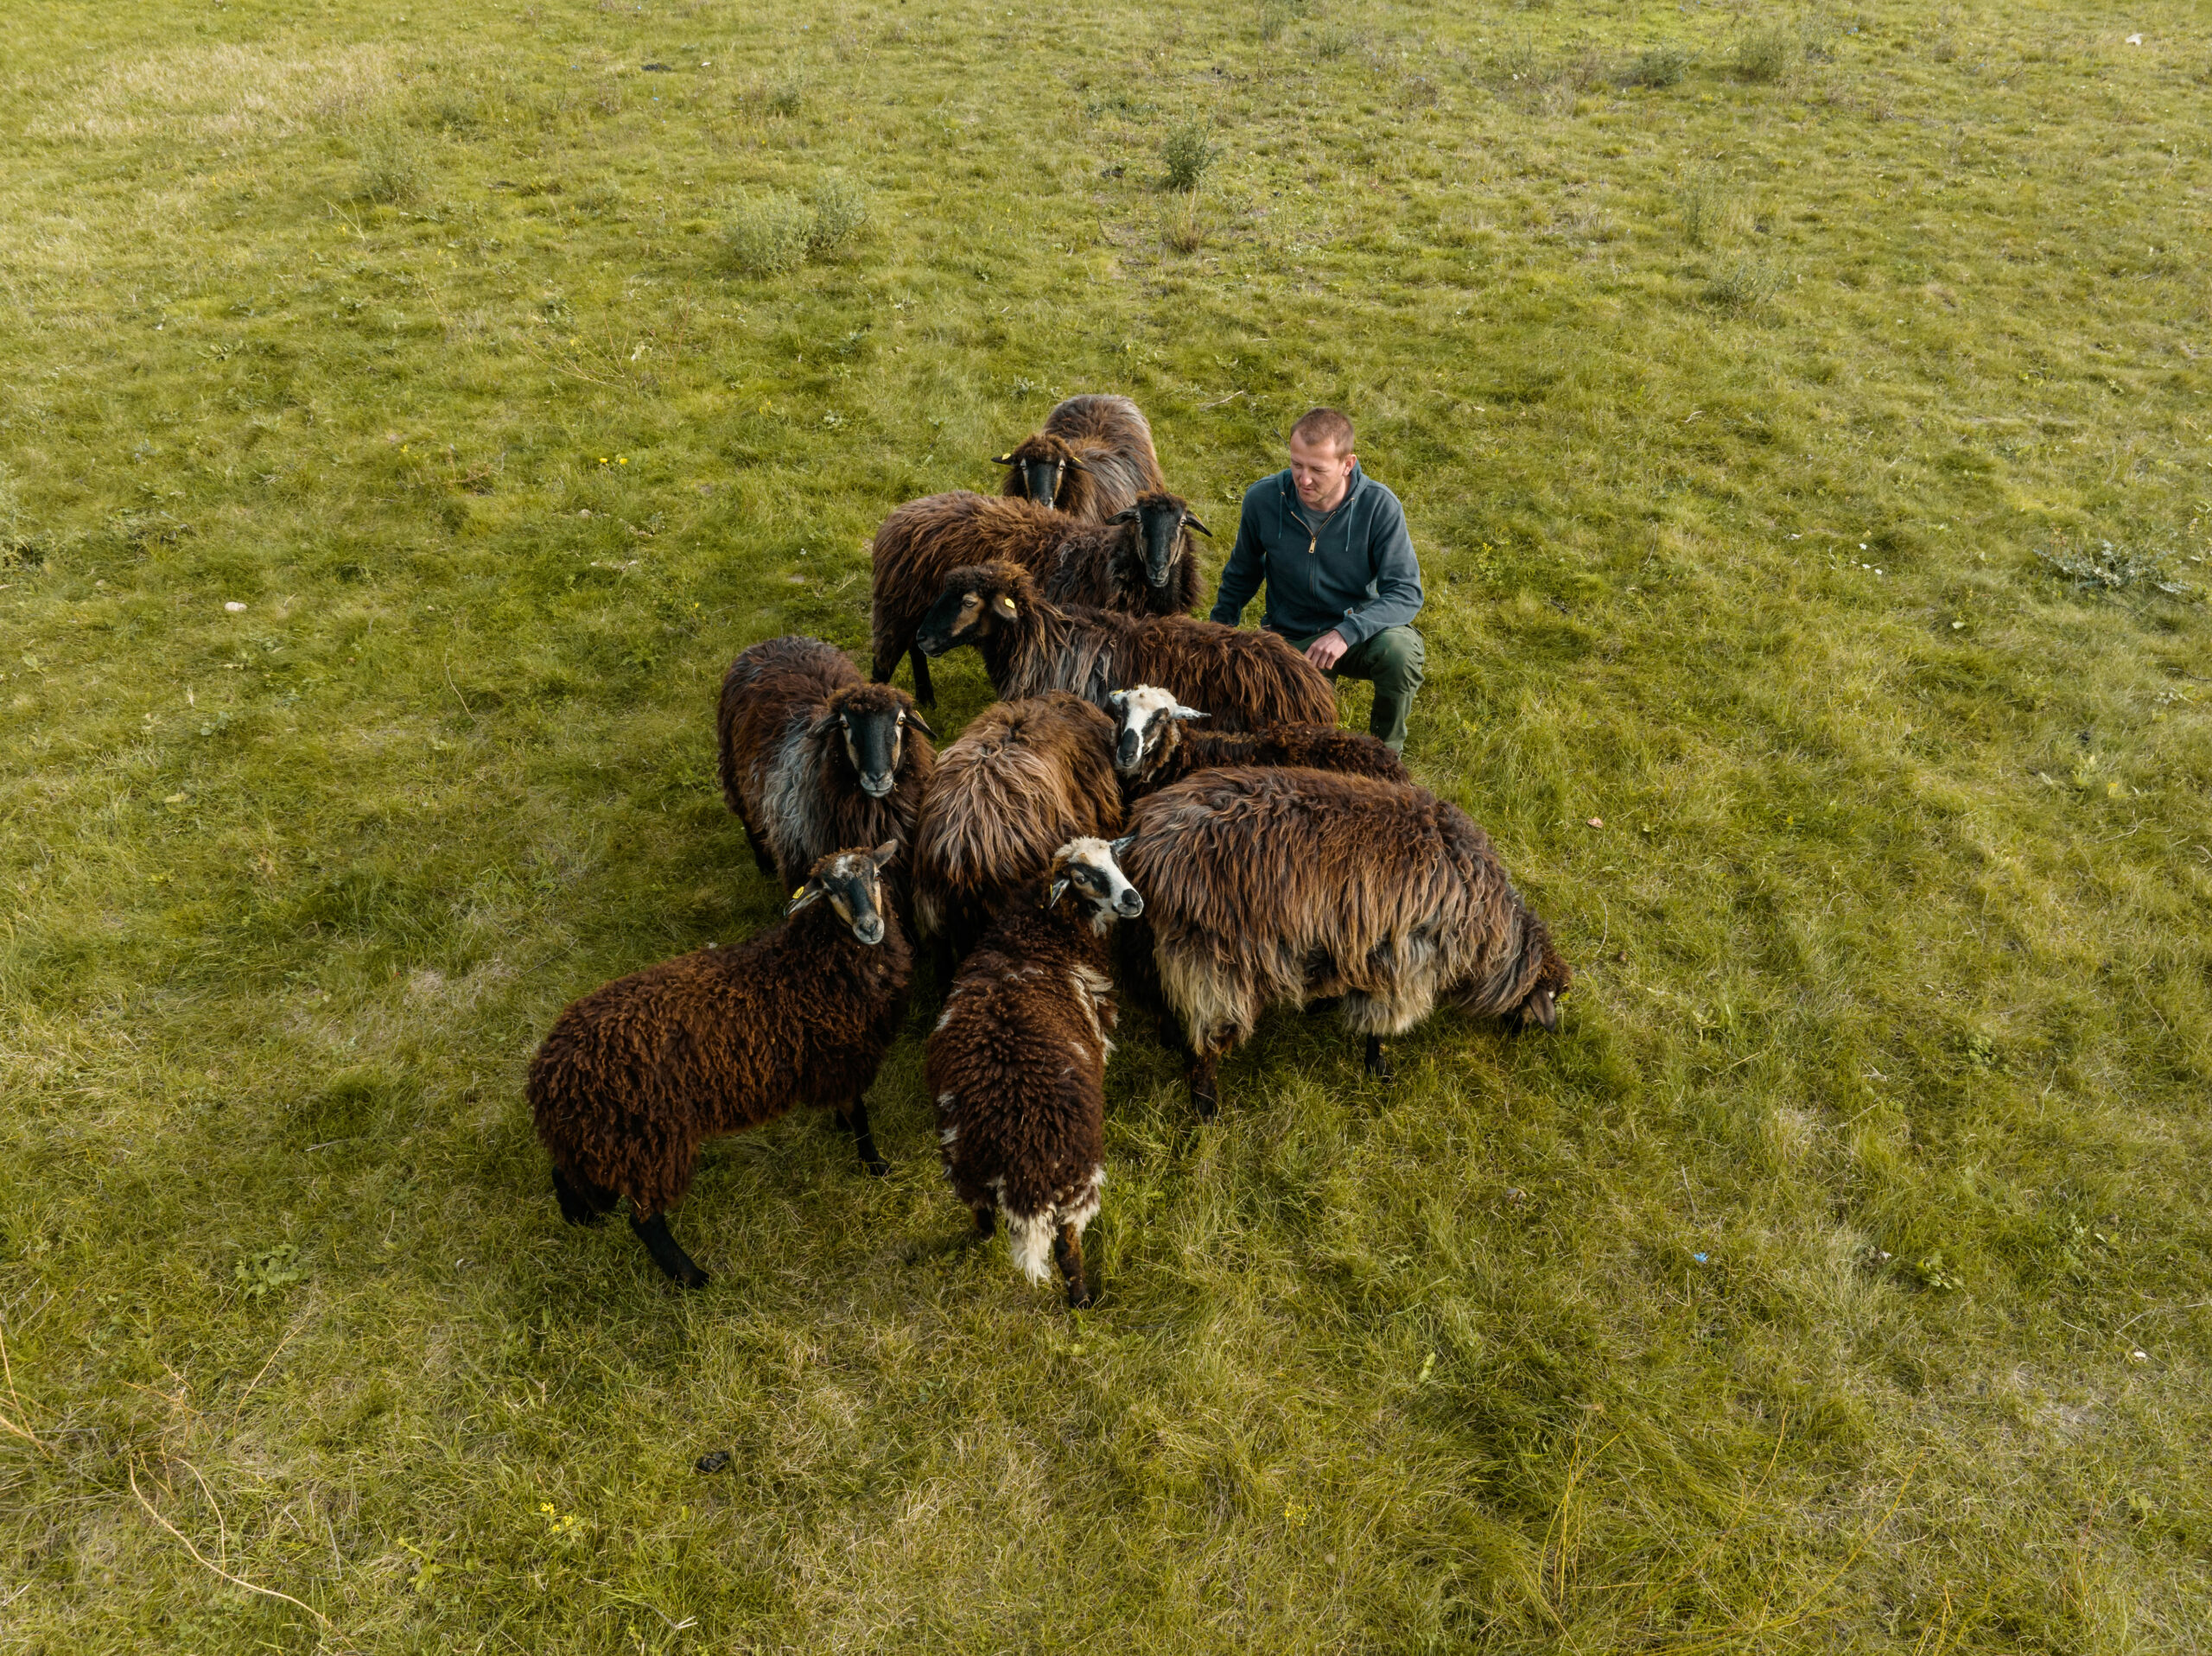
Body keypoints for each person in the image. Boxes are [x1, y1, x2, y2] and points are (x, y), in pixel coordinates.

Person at [1209, 408, 1426, 754]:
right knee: (1295, 747)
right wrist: (1216, 633)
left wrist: (1346, 632)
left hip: (1356, 633)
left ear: (1347, 464)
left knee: (1400, 652)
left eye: (1317, 469)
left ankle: (1386, 757)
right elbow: (1242, 573)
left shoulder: (1379, 507)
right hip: (1290, 637)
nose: (1303, 479)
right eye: (1297, 464)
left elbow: (1405, 592)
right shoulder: (1263, 499)